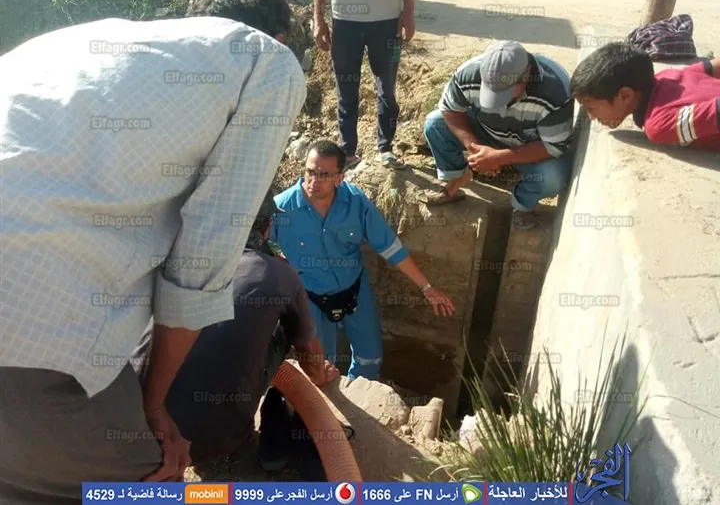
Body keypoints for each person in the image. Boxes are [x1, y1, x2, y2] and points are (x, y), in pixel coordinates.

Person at [0, 0, 306, 503]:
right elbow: (202, 259)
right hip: (35, 336)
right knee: (149, 477)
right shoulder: (268, 63)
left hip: (33, 317)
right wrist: (152, 407)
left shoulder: (73, 43)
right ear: (279, 37)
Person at [131, 191, 339, 470]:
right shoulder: (278, 273)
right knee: (281, 325)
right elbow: (309, 354)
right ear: (267, 227)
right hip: (209, 443)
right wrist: (320, 374)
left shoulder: (178, 253)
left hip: (134, 422)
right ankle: (237, 427)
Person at [270, 140, 456, 380]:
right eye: (310, 172)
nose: (314, 181)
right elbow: (251, 244)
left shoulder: (355, 202)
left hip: (356, 294)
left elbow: (389, 246)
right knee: (320, 365)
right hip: (311, 301)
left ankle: (362, 390)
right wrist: (278, 265)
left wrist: (426, 287)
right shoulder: (282, 209)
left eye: (324, 175)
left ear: (339, 177)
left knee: (370, 356)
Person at [421, 40, 575, 229]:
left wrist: (498, 158)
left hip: (528, 148)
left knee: (553, 177)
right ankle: (458, 178)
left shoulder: (556, 90)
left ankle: (522, 205)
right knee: (435, 123)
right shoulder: (469, 73)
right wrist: (476, 149)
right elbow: (449, 108)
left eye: (505, 92)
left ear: (526, 75)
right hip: (486, 132)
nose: (499, 101)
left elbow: (553, 146)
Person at [312, 0, 416, 171]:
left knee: (387, 88)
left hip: (388, 21)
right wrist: (318, 18)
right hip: (345, 20)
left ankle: (385, 149)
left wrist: (409, 12)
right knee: (346, 90)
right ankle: (347, 152)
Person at [571, 42, 720, 150]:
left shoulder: (659, 124)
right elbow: (713, 66)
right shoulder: (667, 76)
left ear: (625, 96)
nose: (591, 116)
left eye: (591, 108)